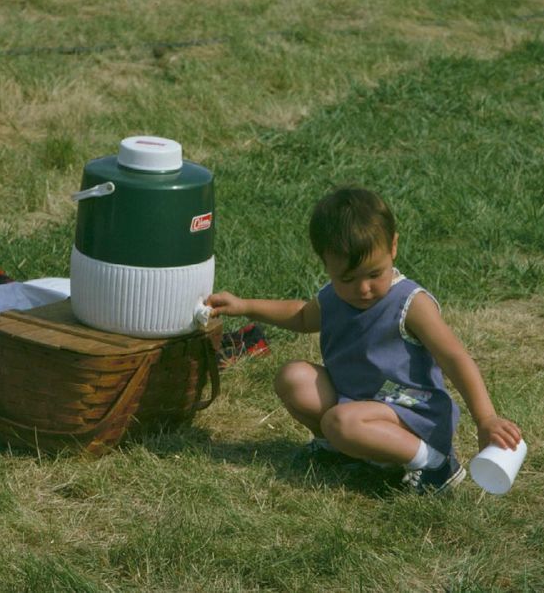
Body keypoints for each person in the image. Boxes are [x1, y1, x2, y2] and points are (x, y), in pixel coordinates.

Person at [207, 187, 522, 495]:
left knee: (341, 421)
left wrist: (486, 418)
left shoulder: (410, 303)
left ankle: (434, 465)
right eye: (348, 278)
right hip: (356, 406)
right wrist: (245, 306)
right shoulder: (334, 298)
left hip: (411, 414)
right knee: (294, 378)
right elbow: (302, 316)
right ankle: (339, 449)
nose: (363, 289)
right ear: (326, 264)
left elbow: (454, 357)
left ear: (393, 247)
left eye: (374, 274)